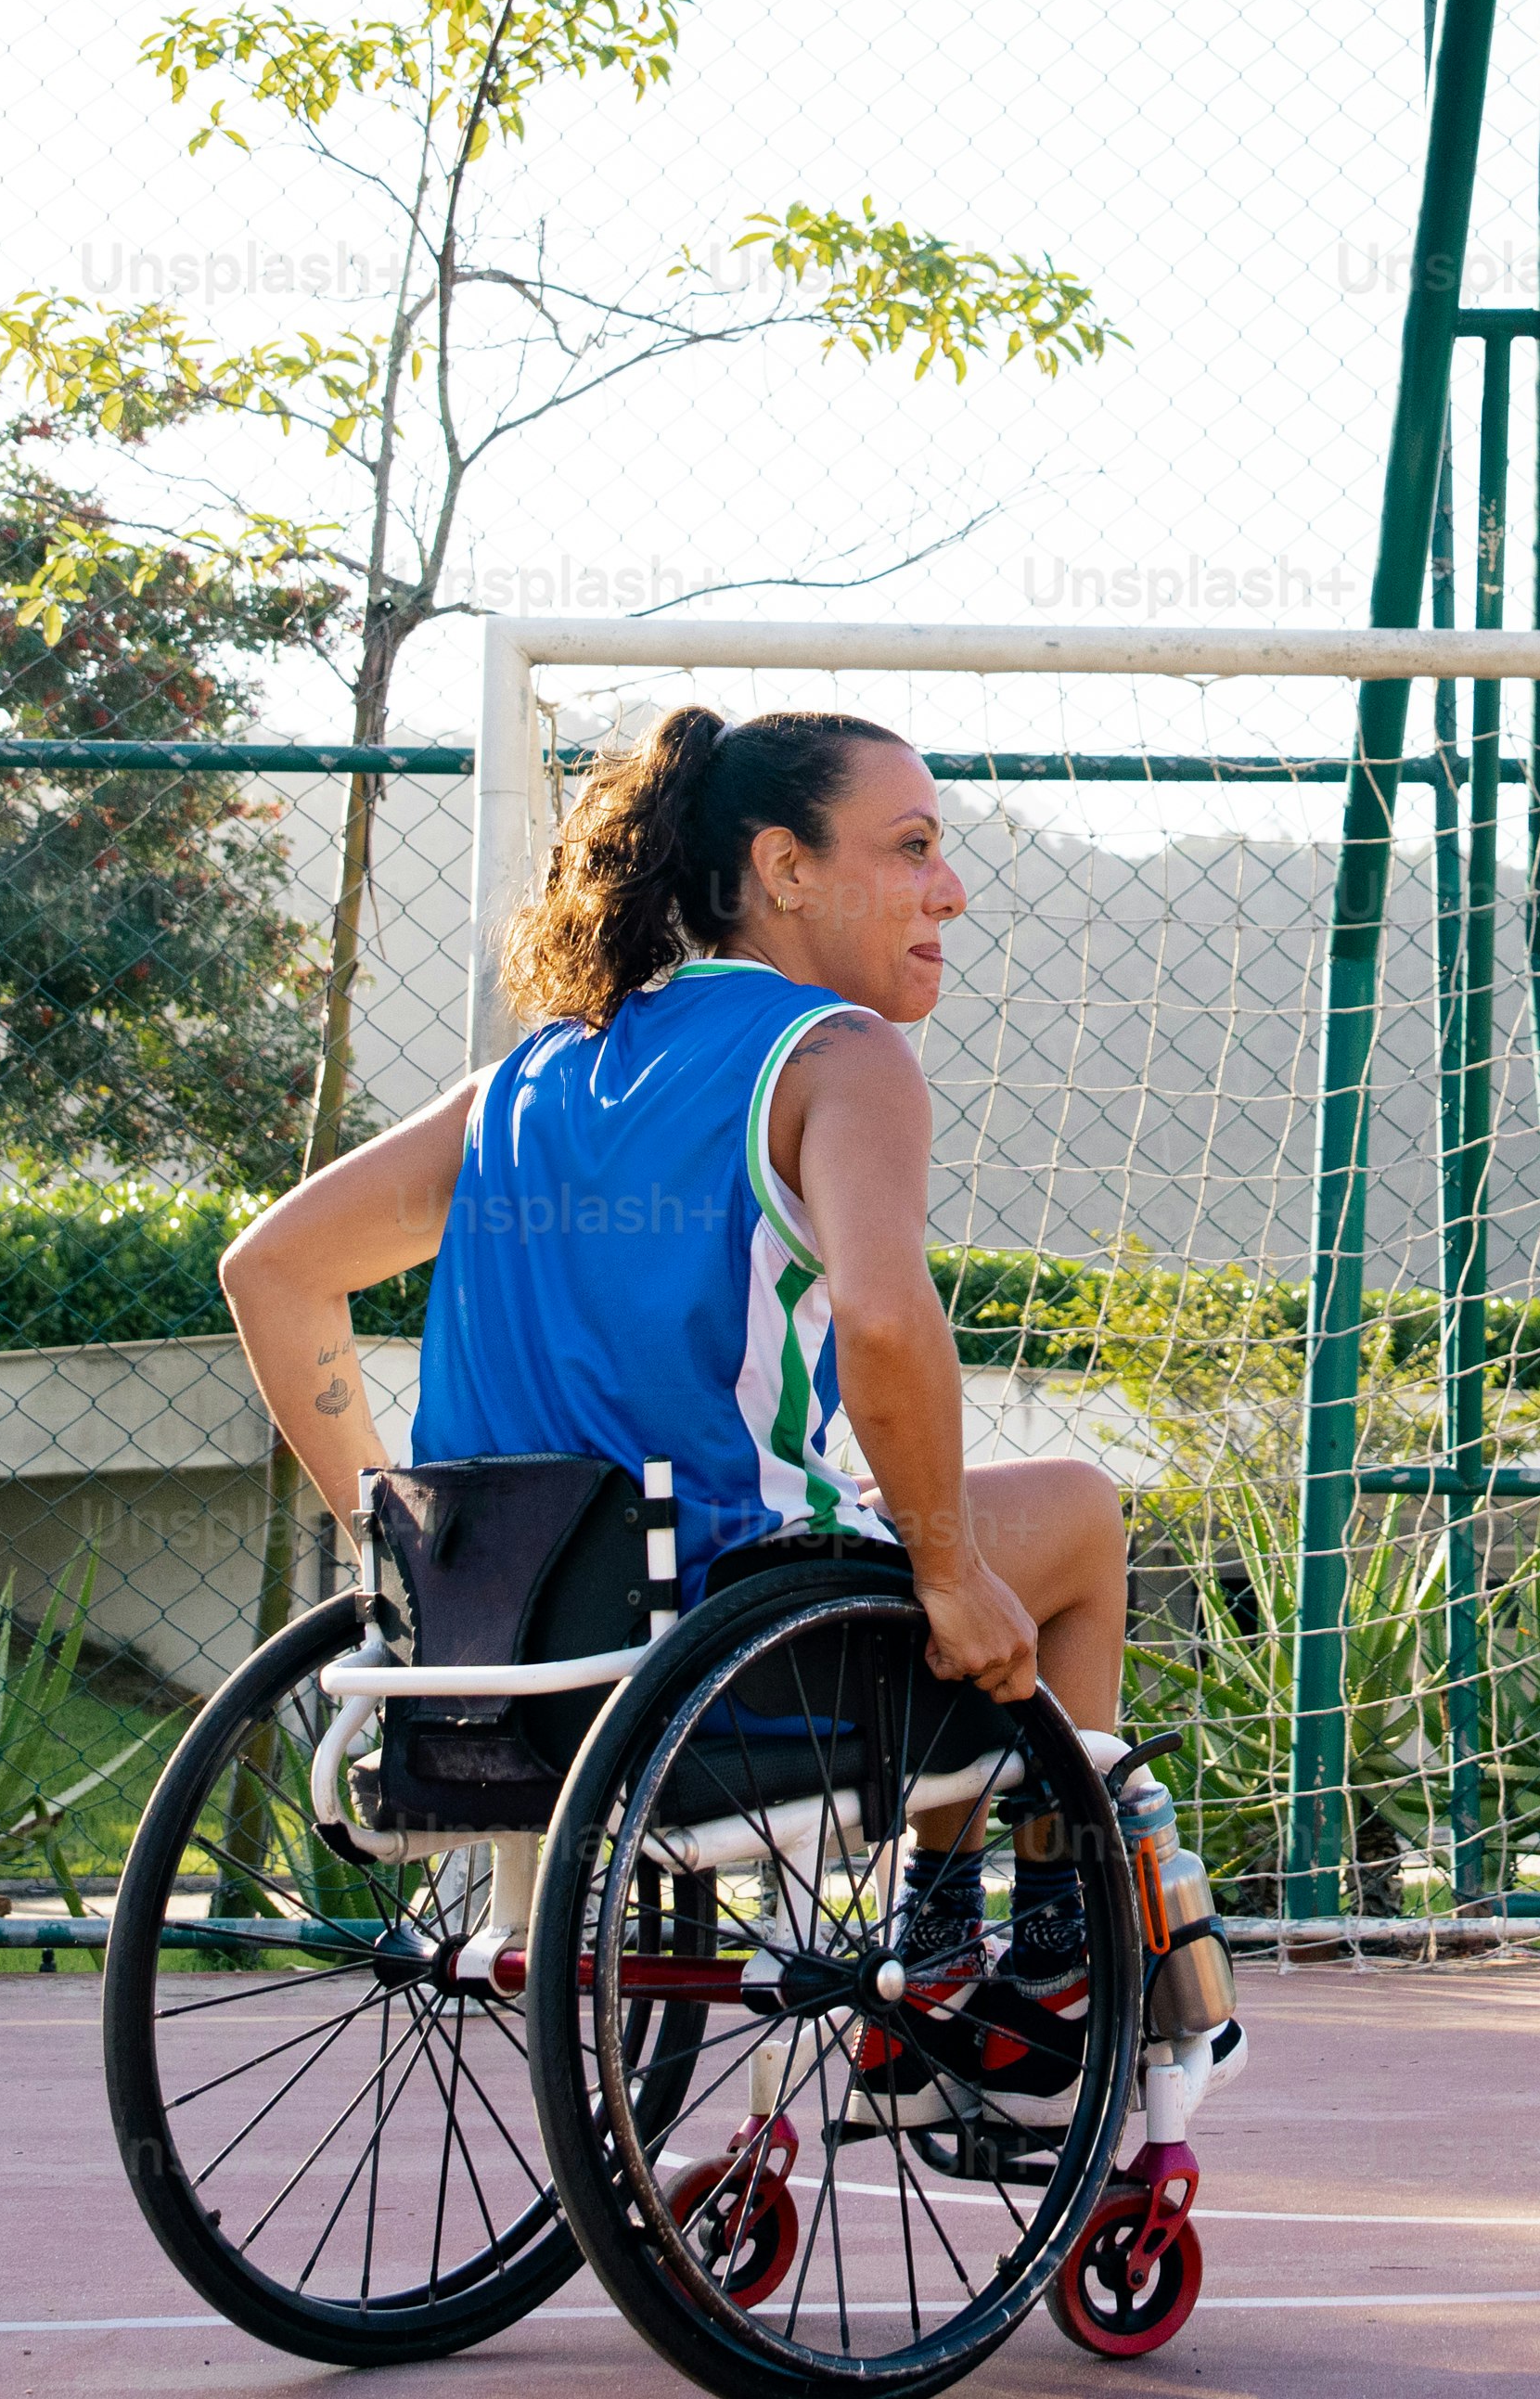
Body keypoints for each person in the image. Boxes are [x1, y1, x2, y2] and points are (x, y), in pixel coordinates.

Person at [221, 703, 1173, 2042]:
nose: (947, 889)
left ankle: (947, 1926)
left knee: (913, 1539)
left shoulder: (529, 1076)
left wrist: (402, 1544)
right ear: (784, 869)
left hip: (505, 1675)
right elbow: (887, 1324)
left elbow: (271, 1270)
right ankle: (992, 1937)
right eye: (909, 848)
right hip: (731, 1666)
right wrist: (952, 1577)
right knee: (1066, 1515)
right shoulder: (835, 1055)